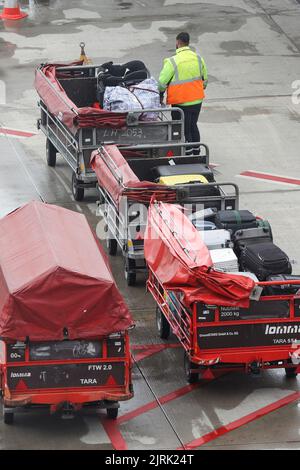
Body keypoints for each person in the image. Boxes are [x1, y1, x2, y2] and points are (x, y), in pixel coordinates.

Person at [158, 32, 208, 155]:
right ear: (188, 42)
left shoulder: (172, 61)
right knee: (192, 126)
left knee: (183, 129)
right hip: (197, 100)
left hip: (181, 102)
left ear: (178, 43)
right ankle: (197, 152)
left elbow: (161, 83)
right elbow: (205, 80)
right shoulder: (198, 58)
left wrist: (160, 95)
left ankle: (188, 154)